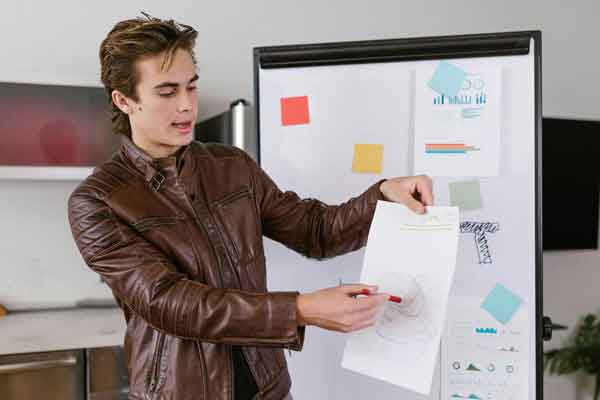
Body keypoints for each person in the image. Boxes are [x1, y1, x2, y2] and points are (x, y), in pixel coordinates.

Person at [68, 13, 433, 400]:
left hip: (269, 389)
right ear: (124, 100)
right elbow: (170, 302)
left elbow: (315, 231)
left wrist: (382, 196)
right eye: (167, 92)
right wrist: (300, 309)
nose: (187, 105)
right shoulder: (98, 202)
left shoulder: (231, 166)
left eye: (191, 87)